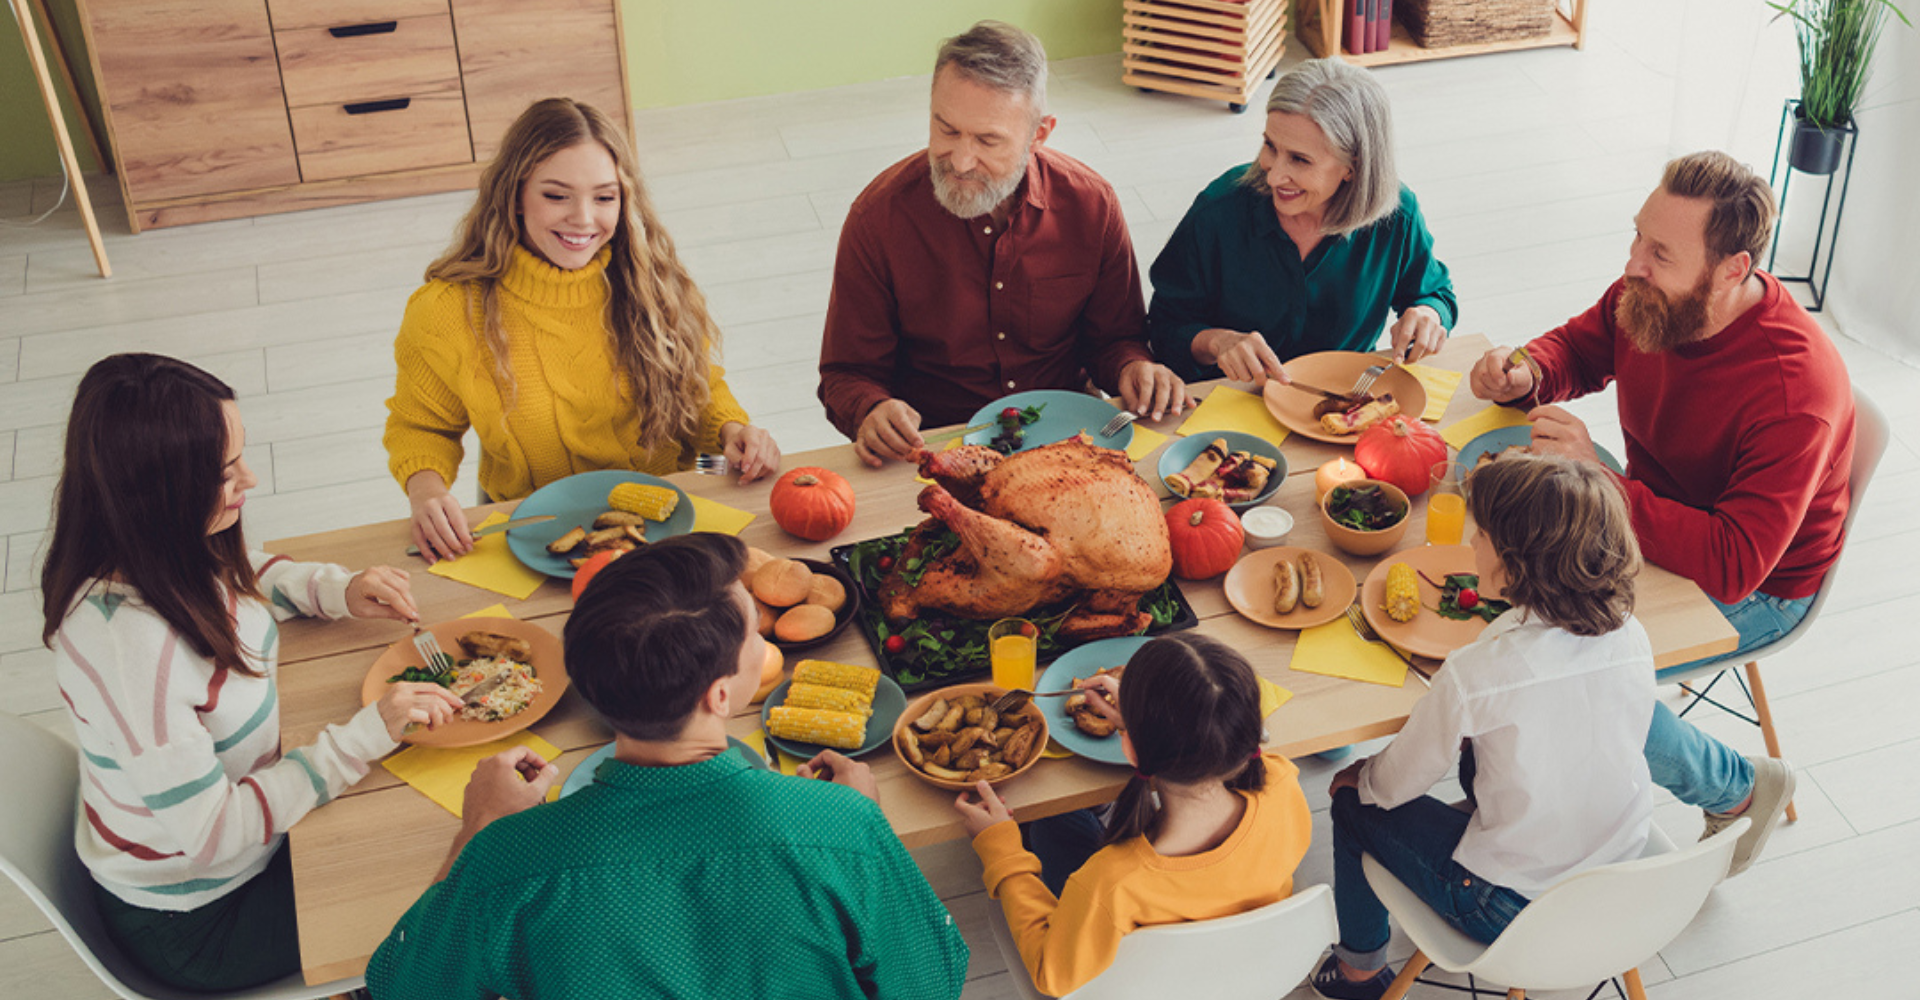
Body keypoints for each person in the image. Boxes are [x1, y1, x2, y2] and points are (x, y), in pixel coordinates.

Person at [367, 533, 969, 999]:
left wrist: (477, 832)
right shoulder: (844, 828)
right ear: (722, 696)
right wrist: (852, 823)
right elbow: (929, 981)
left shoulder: (505, 859)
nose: (763, 640)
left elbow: (403, 985)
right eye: (753, 633)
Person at [1468, 151, 1850, 877]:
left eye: (1659, 252)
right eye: (1637, 237)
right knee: (1502, 598)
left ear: (1733, 269)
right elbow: (1583, 345)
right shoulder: (1658, 295)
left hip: (1757, 584)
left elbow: (1736, 565)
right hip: (1647, 515)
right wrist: (1531, 371)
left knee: (1564, 669)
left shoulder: (1793, 389)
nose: (1633, 263)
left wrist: (1601, 484)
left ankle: (1738, 788)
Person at [41, 354, 463, 993]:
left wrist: (337, 590)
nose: (251, 480)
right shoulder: (133, 653)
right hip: (202, 915)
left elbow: (236, 573)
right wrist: (365, 735)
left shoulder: (152, 545)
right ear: (158, 492)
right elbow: (212, 835)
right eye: (224, 471)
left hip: (234, 836)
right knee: (446, 874)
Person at [1312, 455, 1654, 1000]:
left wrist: (1361, 776)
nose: (1472, 544)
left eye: (1483, 535)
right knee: (1493, 743)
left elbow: (1398, 785)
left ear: (1518, 564)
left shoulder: (1478, 673)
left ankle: (1358, 971)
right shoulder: (1631, 633)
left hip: (1506, 906)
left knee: (1355, 803)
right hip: (1618, 874)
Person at [386, 97, 781, 562]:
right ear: (514, 195)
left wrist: (733, 430)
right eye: (556, 195)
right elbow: (420, 427)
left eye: (604, 197)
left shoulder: (650, 281)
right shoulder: (445, 311)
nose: (584, 219)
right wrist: (426, 492)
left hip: (668, 509)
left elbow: (699, 389)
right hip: (536, 533)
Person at [818, 21, 1191, 467]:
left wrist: (1135, 368)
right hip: (936, 448)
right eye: (947, 129)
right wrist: (871, 410)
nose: (960, 160)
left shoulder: (1092, 205)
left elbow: (1116, 339)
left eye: (987, 140)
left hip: (1067, 440)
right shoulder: (878, 218)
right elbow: (847, 373)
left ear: (1039, 135)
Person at [953, 633, 1311, 997]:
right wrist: (1145, 720)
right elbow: (1224, 736)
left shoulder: (1109, 883)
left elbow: (1053, 975)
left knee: (1052, 825)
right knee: (1056, 828)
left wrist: (1002, 851)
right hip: (1236, 972)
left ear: (1129, 749)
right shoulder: (1283, 783)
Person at [1147, 58, 1457, 385]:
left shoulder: (1396, 216)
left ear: (1352, 166)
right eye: (1270, 146)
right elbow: (1164, 327)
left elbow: (1434, 293)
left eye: (1299, 159)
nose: (1275, 174)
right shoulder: (1219, 210)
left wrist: (1428, 315)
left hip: (1345, 398)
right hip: (1234, 398)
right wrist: (1216, 342)